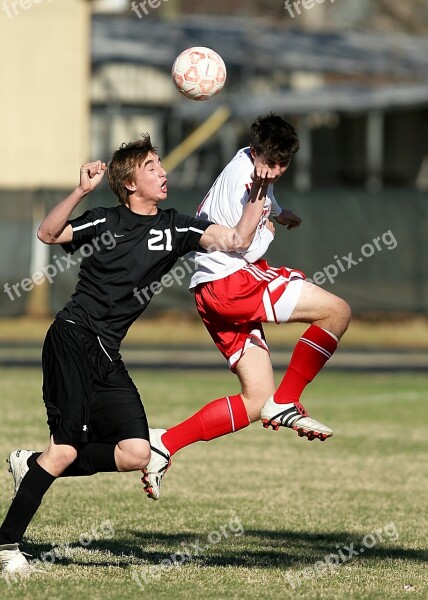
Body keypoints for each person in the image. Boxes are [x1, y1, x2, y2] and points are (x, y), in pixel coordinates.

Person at [0, 133, 274, 578]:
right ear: (129, 183)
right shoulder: (104, 220)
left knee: (136, 453)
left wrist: (259, 188)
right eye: (152, 166)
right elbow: (48, 233)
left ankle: (32, 467)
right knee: (66, 448)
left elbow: (240, 239)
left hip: (108, 351)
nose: (163, 172)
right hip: (73, 338)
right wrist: (80, 190)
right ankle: (5, 544)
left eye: (160, 163)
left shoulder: (176, 226)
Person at [142, 114, 351, 501]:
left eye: (281, 165)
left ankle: (164, 443)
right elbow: (241, 240)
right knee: (336, 312)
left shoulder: (250, 163)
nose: (274, 171)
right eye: (269, 163)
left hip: (210, 291)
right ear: (255, 152)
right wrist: (267, 224)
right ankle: (287, 402)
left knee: (256, 399)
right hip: (232, 283)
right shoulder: (248, 181)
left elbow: (258, 199)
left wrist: (278, 212)